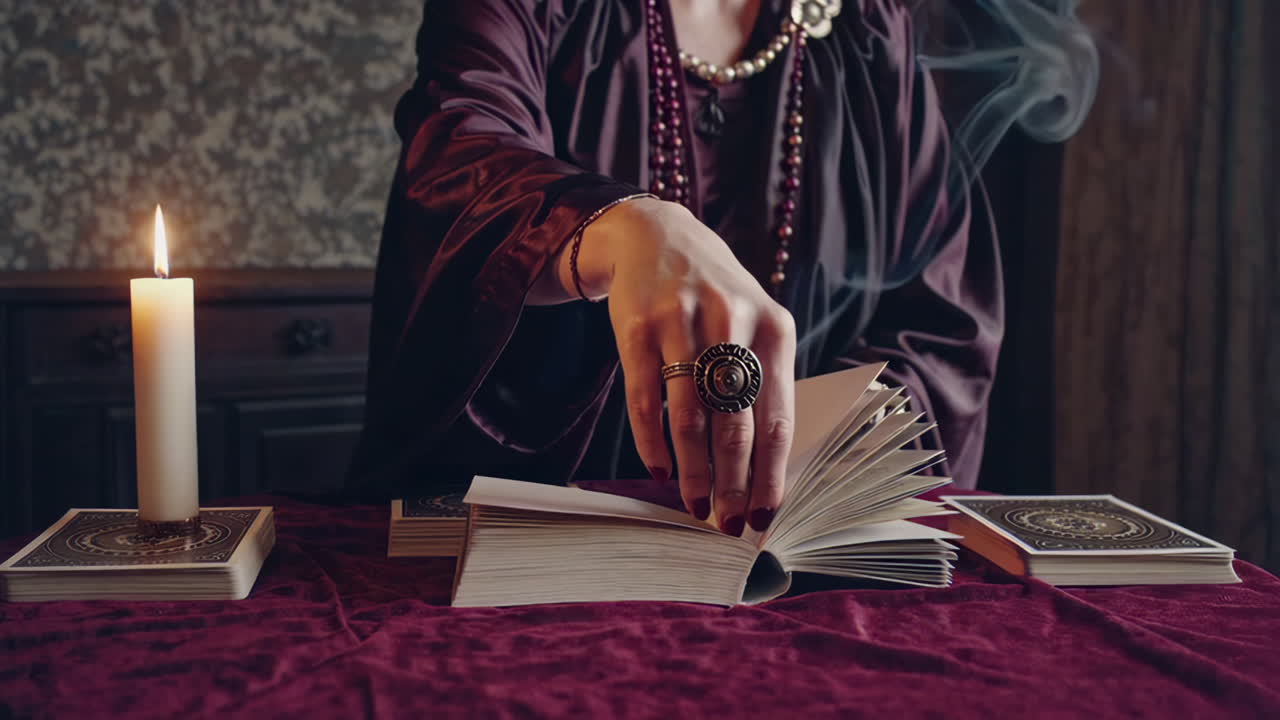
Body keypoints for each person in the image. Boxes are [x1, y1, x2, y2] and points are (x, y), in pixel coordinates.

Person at [348, 0, 1003, 537]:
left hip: (784, 550)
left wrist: (829, 446)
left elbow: (942, 315)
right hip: (541, 529)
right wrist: (629, 225)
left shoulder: (866, 26)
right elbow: (460, 154)